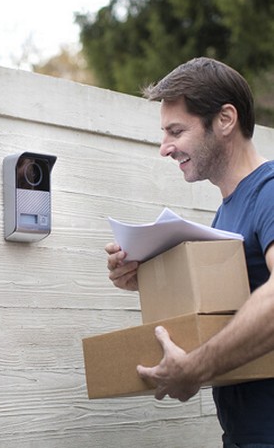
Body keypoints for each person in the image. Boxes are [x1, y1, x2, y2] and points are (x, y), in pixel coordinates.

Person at [105, 57, 274, 447]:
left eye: (176, 131)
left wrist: (194, 368)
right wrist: (143, 279)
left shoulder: (269, 192)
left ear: (225, 120)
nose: (165, 148)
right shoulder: (227, 211)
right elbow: (227, 309)